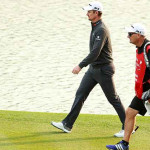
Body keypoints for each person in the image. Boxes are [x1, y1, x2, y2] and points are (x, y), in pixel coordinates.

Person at [51, 1, 126, 137]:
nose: (87, 14)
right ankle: (67, 124)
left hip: (104, 69)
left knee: (113, 98)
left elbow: (95, 53)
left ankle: (127, 127)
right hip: (94, 69)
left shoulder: (101, 29)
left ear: (96, 13)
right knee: (80, 94)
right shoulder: (95, 26)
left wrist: (80, 65)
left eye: (89, 12)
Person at [106, 23, 150, 150]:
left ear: (139, 35)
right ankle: (124, 144)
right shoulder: (139, 49)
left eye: (130, 34)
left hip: (148, 91)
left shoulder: (148, 48)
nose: (127, 36)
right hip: (142, 92)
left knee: (130, 113)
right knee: (130, 113)